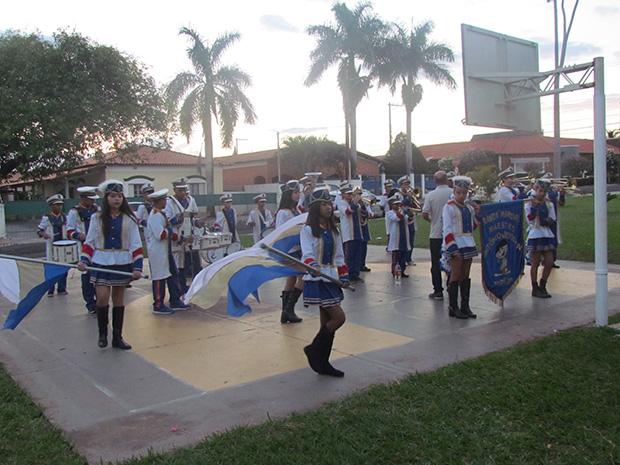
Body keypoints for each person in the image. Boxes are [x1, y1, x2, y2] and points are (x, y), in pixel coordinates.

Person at [77, 180, 143, 350]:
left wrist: (137, 267)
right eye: (113, 196)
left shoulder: (130, 218)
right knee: (102, 298)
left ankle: (117, 337)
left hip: (122, 263)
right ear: (106, 198)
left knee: (119, 300)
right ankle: (102, 333)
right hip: (101, 263)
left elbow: (136, 244)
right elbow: (90, 242)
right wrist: (84, 260)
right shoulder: (96, 218)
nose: (117, 199)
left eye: (119, 196)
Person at [300, 188, 350, 377]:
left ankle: (323, 362)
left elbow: (339, 256)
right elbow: (307, 254)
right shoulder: (307, 230)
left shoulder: (334, 230)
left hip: (331, 279)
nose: (328, 207)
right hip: (317, 279)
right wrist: (313, 266)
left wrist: (343, 276)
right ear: (315, 208)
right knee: (339, 318)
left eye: (329, 204)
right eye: (324, 204)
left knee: (326, 323)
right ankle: (313, 349)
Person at [145, 189, 190, 314]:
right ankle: (158, 304)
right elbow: (161, 234)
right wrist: (170, 230)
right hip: (158, 252)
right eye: (164, 200)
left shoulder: (160, 214)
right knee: (159, 277)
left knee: (172, 274)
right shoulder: (155, 216)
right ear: (159, 202)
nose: (166, 202)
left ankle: (175, 300)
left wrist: (181, 238)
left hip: (165, 250)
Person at [442, 176, 481, 319]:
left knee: (465, 275)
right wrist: (453, 248)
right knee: (456, 275)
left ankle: (465, 306)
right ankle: (453, 307)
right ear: (454, 191)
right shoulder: (449, 207)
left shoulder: (469, 208)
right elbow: (447, 228)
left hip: (468, 242)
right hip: (456, 243)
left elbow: (473, 226)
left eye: (464, 193)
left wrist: (478, 212)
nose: (461, 195)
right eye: (458, 192)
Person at [165, 178, 204, 293]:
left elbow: (194, 217)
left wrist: (197, 223)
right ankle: (180, 288)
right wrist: (178, 219)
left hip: (191, 235)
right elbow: (167, 220)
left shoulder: (191, 200)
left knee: (196, 262)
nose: (182, 193)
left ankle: (197, 286)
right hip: (178, 236)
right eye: (180, 190)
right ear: (175, 190)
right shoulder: (169, 202)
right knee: (180, 265)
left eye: (184, 190)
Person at [67, 186, 99, 312]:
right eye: (90, 199)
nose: (93, 202)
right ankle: (90, 303)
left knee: (98, 274)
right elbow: (69, 230)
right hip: (83, 247)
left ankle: (100, 301)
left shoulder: (97, 209)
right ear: (84, 198)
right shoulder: (74, 212)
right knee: (86, 276)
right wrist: (79, 236)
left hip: (97, 247)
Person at [421, 171, 453, 300]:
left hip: (436, 233)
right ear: (446, 180)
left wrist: (432, 220)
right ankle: (452, 287)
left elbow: (424, 213)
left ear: (434, 182)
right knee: (452, 261)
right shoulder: (453, 192)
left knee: (435, 263)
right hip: (451, 234)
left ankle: (438, 291)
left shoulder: (431, 195)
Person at [276, 180, 304, 323]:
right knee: (305, 277)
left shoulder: (296, 211)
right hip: (288, 251)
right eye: (295, 192)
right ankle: (288, 309)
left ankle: (286, 313)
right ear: (288, 195)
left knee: (291, 280)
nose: (298, 195)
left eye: (298, 192)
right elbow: (280, 233)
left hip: (297, 249)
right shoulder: (283, 213)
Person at [525, 178, 557, 298]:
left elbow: (552, 219)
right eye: (540, 191)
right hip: (536, 233)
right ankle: (535, 287)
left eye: (544, 191)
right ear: (536, 190)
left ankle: (543, 284)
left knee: (549, 262)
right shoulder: (529, 203)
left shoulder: (549, 204)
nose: (542, 194)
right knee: (535, 262)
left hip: (547, 233)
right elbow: (530, 220)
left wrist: (549, 221)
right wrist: (533, 208)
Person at [38, 194, 68, 296]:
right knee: (52, 267)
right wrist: (44, 234)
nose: (59, 207)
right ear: (51, 206)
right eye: (56, 205)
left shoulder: (65, 217)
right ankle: (50, 289)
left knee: (63, 267)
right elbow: (39, 230)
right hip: (51, 246)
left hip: (63, 245)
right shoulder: (47, 218)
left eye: (60, 205)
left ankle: (62, 288)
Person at [335, 183, 366, 283]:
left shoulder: (354, 203)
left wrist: (363, 205)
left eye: (350, 193)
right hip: (349, 234)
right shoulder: (341, 203)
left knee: (357, 256)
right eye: (348, 193)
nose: (350, 195)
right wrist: (356, 203)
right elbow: (348, 212)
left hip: (358, 233)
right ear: (343, 194)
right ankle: (348, 275)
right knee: (349, 256)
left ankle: (355, 275)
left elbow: (364, 215)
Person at [386, 193, 412, 279]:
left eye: (398, 204)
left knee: (403, 256)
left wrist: (410, 214)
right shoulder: (389, 213)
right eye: (396, 204)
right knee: (396, 257)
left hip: (403, 237)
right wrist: (404, 212)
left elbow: (409, 221)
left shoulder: (401, 213)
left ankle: (402, 271)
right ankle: (395, 271)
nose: (398, 206)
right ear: (391, 205)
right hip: (395, 237)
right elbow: (396, 218)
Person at [397, 175, 418, 266]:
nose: (407, 186)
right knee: (405, 240)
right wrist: (407, 198)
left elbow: (416, 206)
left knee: (411, 239)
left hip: (411, 219)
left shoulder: (411, 194)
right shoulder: (398, 195)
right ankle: (403, 259)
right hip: (403, 219)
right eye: (405, 184)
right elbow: (399, 205)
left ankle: (409, 258)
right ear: (401, 185)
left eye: (408, 184)